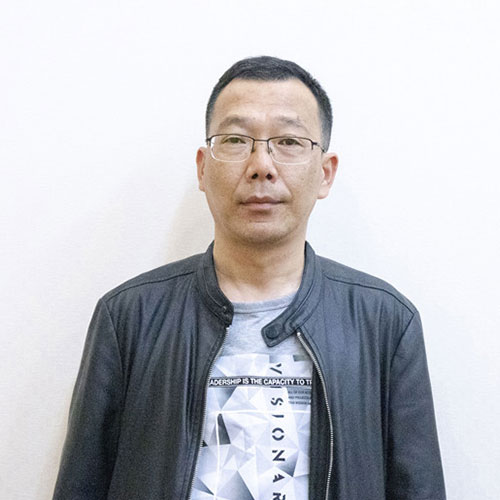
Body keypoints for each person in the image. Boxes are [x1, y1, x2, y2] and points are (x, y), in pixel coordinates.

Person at [53, 56, 446, 499]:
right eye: (236, 140)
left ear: (325, 173)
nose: (262, 165)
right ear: (203, 168)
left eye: (289, 141)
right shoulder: (129, 318)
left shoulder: (386, 323)